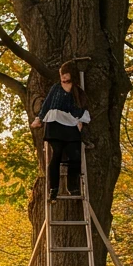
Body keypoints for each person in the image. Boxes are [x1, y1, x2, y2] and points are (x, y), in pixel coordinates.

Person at [30, 61, 90, 202]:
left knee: (75, 156)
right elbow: (47, 104)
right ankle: (54, 189)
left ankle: (72, 186)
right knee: (56, 154)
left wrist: (79, 119)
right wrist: (39, 118)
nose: (63, 77)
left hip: (70, 125)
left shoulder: (77, 91)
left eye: (66, 74)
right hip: (54, 124)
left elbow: (79, 108)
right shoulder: (56, 88)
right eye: (61, 75)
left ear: (71, 75)